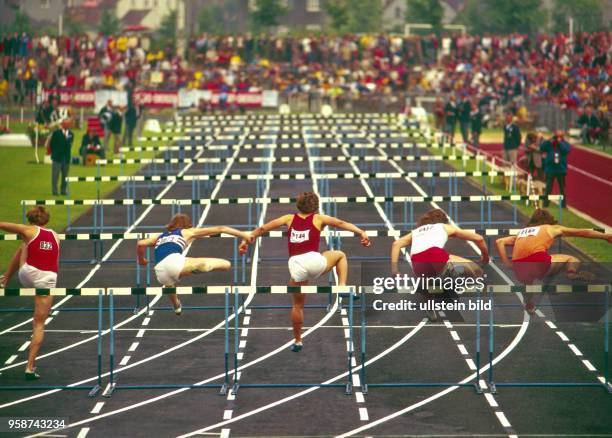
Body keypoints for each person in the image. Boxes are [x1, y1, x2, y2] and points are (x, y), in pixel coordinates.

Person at [240, 192, 371, 352]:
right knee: (340, 255)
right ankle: (342, 287)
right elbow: (340, 223)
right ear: (316, 207)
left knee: (298, 305)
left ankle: (297, 340)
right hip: (315, 261)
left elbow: (263, 228)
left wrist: (247, 238)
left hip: (296, 265)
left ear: (298, 205)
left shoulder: (288, 218)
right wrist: (361, 232)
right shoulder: (318, 218)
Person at [495, 209, 612, 311]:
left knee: (529, 280)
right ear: (549, 220)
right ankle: (571, 273)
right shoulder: (551, 228)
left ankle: (529, 303)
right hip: (539, 263)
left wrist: (508, 263)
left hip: (519, 269)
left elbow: (499, 241)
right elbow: (582, 232)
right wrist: (606, 236)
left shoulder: (521, 233)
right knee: (570, 258)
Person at [136, 213, 251, 315]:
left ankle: (176, 306)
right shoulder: (187, 231)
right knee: (226, 264)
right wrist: (244, 235)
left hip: (160, 272)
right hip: (174, 262)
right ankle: (201, 266)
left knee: (169, 284)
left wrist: (141, 260)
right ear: (188, 224)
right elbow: (221, 228)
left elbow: (140, 244)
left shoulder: (159, 236)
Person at [0, 207, 60, 380]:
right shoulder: (55, 236)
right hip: (48, 278)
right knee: (39, 324)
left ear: (30, 219)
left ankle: (5, 278)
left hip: (28, 274)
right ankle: (29, 367)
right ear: (46, 221)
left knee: (24, 244)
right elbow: (54, 261)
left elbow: (3, 225)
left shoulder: (28, 230)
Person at [391, 208, 489, 279]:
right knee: (477, 271)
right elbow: (479, 239)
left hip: (417, 263)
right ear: (444, 221)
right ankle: (453, 276)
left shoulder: (416, 231)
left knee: (428, 289)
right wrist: (485, 258)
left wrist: (394, 270)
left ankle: (431, 300)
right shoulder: (444, 226)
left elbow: (396, 244)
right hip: (435, 255)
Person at [540, 130, 570, 208]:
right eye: (557, 136)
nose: (557, 138)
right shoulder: (550, 144)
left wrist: (559, 142)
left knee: (562, 189)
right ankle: (545, 204)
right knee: (548, 188)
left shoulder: (565, 143)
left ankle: (563, 205)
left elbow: (566, 150)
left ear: (562, 137)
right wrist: (549, 139)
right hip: (550, 169)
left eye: (560, 136)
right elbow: (542, 148)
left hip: (560, 169)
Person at [49, 118, 73, 196]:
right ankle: (54, 191)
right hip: (57, 157)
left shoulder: (71, 134)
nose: (68, 125)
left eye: (69, 124)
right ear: (62, 124)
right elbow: (52, 144)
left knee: (65, 176)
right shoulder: (56, 133)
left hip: (66, 158)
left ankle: (63, 190)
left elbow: (69, 144)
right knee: (55, 176)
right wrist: (55, 152)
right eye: (66, 124)